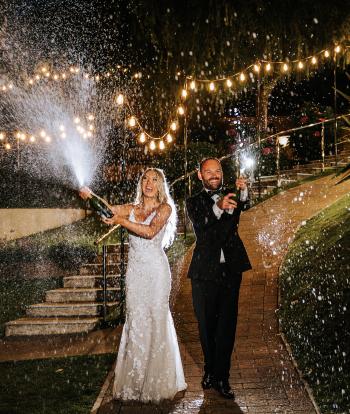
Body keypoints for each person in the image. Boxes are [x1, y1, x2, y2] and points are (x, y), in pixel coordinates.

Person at [79, 168, 187, 402]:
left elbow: (149, 232)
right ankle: (136, 381)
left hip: (156, 272)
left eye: (154, 180)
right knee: (136, 320)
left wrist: (120, 221)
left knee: (156, 319)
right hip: (135, 272)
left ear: (160, 185)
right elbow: (109, 211)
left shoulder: (165, 208)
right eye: (145, 178)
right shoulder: (132, 208)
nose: (149, 183)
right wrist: (91, 196)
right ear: (141, 183)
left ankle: (158, 381)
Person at [186, 157, 251, 400]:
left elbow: (242, 208)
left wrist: (243, 192)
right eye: (208, 171)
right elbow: (202, 226)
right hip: (204, 274)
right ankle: (210, 370)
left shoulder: (231, 195)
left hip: (230, 271)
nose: (214, 175)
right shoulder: (193, 202)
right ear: (200, 175)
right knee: (206, 327)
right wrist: (218, 207)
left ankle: (222, 377)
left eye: (217, 171)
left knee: (226, 327)